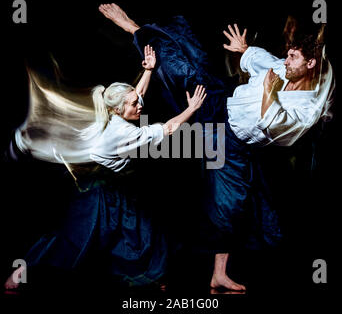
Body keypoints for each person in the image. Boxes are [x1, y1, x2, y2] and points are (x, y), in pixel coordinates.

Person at [98, 3, 334, 292]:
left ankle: (218, 274)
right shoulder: (285, 68)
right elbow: (265, 61)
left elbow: (274, 125)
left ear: (310, 65)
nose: (285, 61)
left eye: (293, 57)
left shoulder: (307, 109)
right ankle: (132, 27)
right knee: (183, 64)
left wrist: (270, 94)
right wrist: (246, 49)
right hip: (220, 102)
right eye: (287, 56)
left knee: (231, 205)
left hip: (233, 141)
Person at [4, 44, 207, 290]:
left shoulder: (112, 113)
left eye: (136, 101)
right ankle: (20, 273)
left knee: (140, 231)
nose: (140, 105)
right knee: (74, 239)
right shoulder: (124, 133)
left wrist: (149, 71)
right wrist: (192, 108)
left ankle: (154, 277)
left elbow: (136, 96)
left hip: (112, 188)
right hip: (95, 192)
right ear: (118, 110)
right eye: (134, 105)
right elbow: (169, 128)